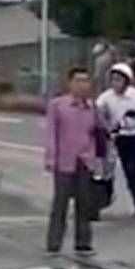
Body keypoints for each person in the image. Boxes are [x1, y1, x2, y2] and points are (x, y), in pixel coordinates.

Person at [43, 67, 104, 256]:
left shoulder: (92, 107)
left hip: (85, 160)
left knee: (84, 204)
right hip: (64, 160)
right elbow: (51, 133)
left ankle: (83, 243)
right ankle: (54, 244)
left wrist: (98, 160)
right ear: (69, 83)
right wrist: (51, 158)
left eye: (86, 81)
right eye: (78, 80)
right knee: (60, 204)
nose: (82, 85)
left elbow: (98, 134)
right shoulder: (58, 105)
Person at [96, 61, 135, 220]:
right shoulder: (107, 97)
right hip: (122, 138)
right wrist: (104, 124)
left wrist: (128, 122)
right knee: (129, 171)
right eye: (113, 79)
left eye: (119, 80)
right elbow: (97, 111)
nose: (116, 83)